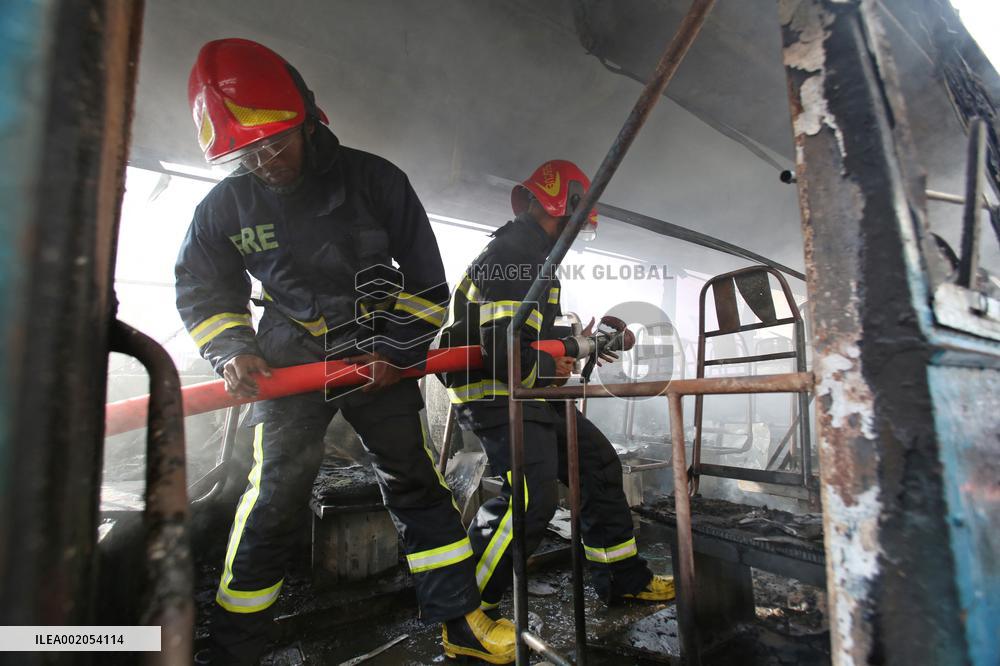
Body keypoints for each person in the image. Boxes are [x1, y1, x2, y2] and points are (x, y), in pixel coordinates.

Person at [177, 38, 515, 664]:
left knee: (414, 483)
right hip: (289, 364)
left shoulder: (377, 180)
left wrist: (395, 350)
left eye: (273, 143)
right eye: (245, 153)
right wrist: (230, 347)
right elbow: (203, 288)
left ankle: (461, 623)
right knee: (273, 498)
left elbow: (427, 284)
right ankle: (234, 650)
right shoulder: (225, 205)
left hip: (374, 359)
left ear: (307, 119)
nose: (263, 162)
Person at [438, 159, 675, 615]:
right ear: (559, 208)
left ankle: (623, 578)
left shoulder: (536, 259)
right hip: (491, 392)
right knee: (529, 497)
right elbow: (505, 354)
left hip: (527, 389)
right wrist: (554, 364)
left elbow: (525, 340)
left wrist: (571, 345)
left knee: (597, 464)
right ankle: (465, 614)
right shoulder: (513, 254)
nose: (576, 233)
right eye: (577, 222)